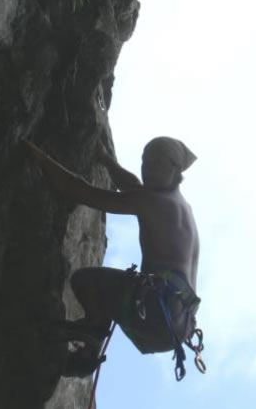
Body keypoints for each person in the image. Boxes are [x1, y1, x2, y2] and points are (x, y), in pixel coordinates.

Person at [25, 137, 203, 379]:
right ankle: (88, 352)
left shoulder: (153, 202)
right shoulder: (179, 206)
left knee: (85, 281)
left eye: (155, 163)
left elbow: (81, 192)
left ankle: (92, 333)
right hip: (178, 321)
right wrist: (105, 159)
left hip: (159, 309)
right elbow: (133, 186)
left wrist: (40, 158)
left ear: (175, 168)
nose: (147, 169)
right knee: (109, 293)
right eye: (144, 162)